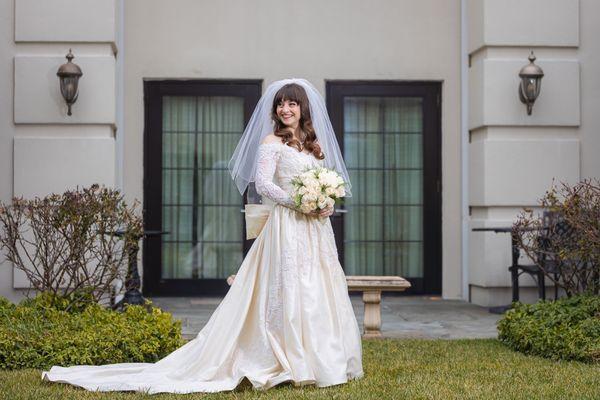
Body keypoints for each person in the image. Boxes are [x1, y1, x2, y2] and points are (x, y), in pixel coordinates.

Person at [41, 78, 364, 394]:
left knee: (316, 284)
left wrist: (324, 204)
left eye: (292, 103)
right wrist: (299, 203)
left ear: (303, 107)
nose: (285, 109)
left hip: (314, 229)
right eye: (281, 103)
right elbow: (263, 184)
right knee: (289, 284)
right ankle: (288, 358)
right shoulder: (271, 143)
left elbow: (324, 183)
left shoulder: (313, 144)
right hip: (287, 226)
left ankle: (320, 356)